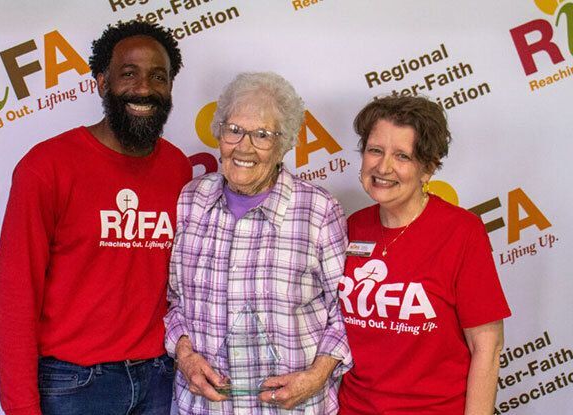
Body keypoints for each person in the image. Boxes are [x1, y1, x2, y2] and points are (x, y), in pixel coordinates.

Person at [0, 21, 192, 415]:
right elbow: (15, 298)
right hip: (74, 385)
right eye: (128, 74)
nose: (144, 89)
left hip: (159, 380)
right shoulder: (46, 167)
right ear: (101, 82)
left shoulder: (178, 168)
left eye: (158, 76)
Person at [164, 72, 352, 414]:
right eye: (234, 130)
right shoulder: (190, 200)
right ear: (219, 133)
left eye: (263, 135)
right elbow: (174, 299)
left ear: (284, 145)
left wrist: (316, 376)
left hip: (293, 409)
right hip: (202, 408)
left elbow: (345, 313)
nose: (244, 147)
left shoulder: (319, 211)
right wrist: (186, 356)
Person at [337, 96, 511, 415]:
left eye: (402, 156)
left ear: (427, 168)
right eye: (375, 150)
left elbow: (487, 346)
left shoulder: (461, 232)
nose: (383, 167)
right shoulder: (351, 226)